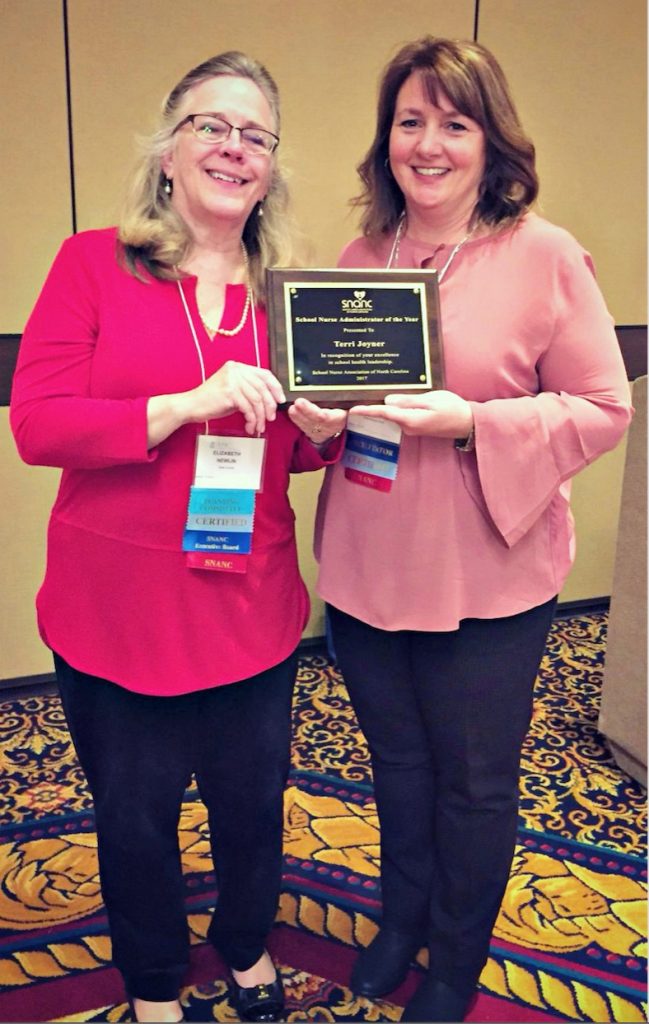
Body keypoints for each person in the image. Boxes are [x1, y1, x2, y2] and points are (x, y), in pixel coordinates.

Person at [10, 51, 345, 1024]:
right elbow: (38, 424)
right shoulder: (91, 262)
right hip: (114, 614)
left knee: (252, 810)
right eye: (212, 124)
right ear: (167, 149)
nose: (234, 148)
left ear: (270, 167)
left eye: (256, 135)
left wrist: (318, 435)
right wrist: (183, 404)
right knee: (134, 820)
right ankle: (155, 979)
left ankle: (243, 946)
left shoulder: (288, 294)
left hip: (249, 605)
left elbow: (287, 453)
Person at [313, 36, 632, 1023]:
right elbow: (334, 394)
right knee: (395, 763)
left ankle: (455, 953)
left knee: (475, 782)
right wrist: (316, 415)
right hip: (367, 561)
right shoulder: (362, 257)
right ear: (386, 140)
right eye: (410, 121)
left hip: (488, 571)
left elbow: (601, 405)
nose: (429, 143)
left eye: (454, 122)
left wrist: (472, 424)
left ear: (492, 142)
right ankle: (399, 922)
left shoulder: (546, 254)